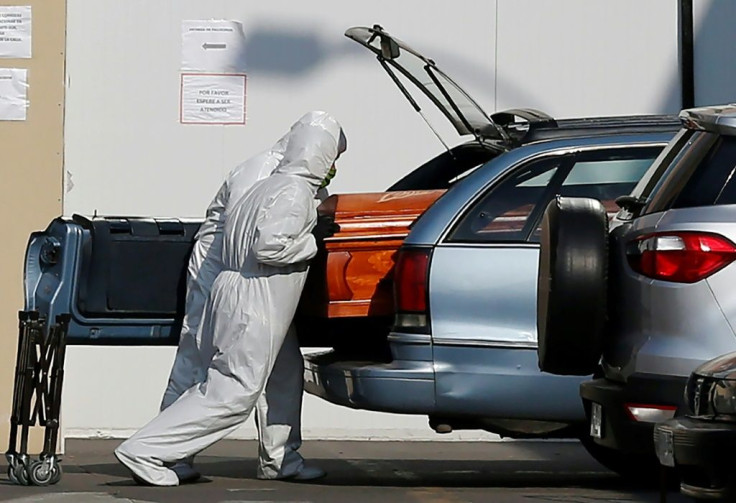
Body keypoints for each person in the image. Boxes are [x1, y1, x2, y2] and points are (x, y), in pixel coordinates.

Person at [114, 111, 346, 486]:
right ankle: (154, 451)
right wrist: (313, 241)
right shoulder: (282, 185)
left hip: (253, 292)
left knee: (283, 372)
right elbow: (269, 245)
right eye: (333, 156)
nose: (334, 165)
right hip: (247, 292)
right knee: (228, 386)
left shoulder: (277, 182)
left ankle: (280, 459)